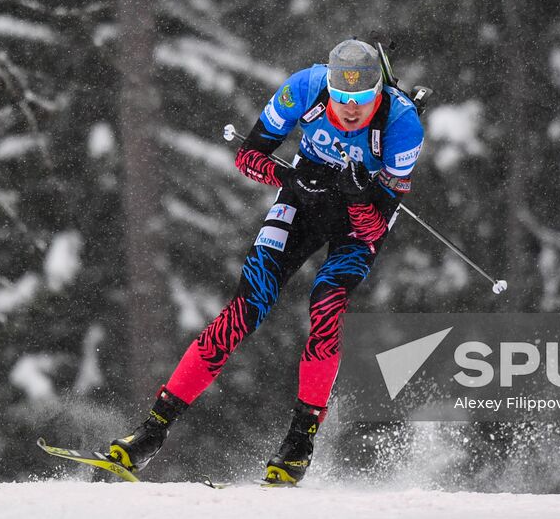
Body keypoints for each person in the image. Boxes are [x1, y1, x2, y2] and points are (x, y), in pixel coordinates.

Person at [108, 38, 425, 484]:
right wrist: (290, 177)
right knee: (246, 307)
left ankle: (298, 444)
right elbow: (248, 156)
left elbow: (374, 229)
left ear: (379, 93)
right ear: (329, 88)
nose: (351, 109)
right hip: (301, 203)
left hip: (358, 223)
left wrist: (356, 196)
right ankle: (152, 431)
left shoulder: (402, 124)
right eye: (342, 98)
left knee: (326, 308)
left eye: (362, 99)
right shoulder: (304, 88)